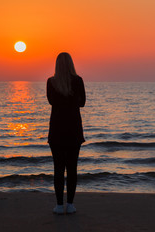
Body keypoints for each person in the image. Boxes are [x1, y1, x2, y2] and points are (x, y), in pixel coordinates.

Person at [47, 52, 86, 214]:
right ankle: (70, 204)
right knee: (72, 168)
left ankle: (58, 205)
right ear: (71, 64)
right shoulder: (78, 81)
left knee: (58, 168)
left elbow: (51, 101)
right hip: (73, 130)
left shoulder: (51, 82)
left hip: (56, 130)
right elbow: (82, 103)